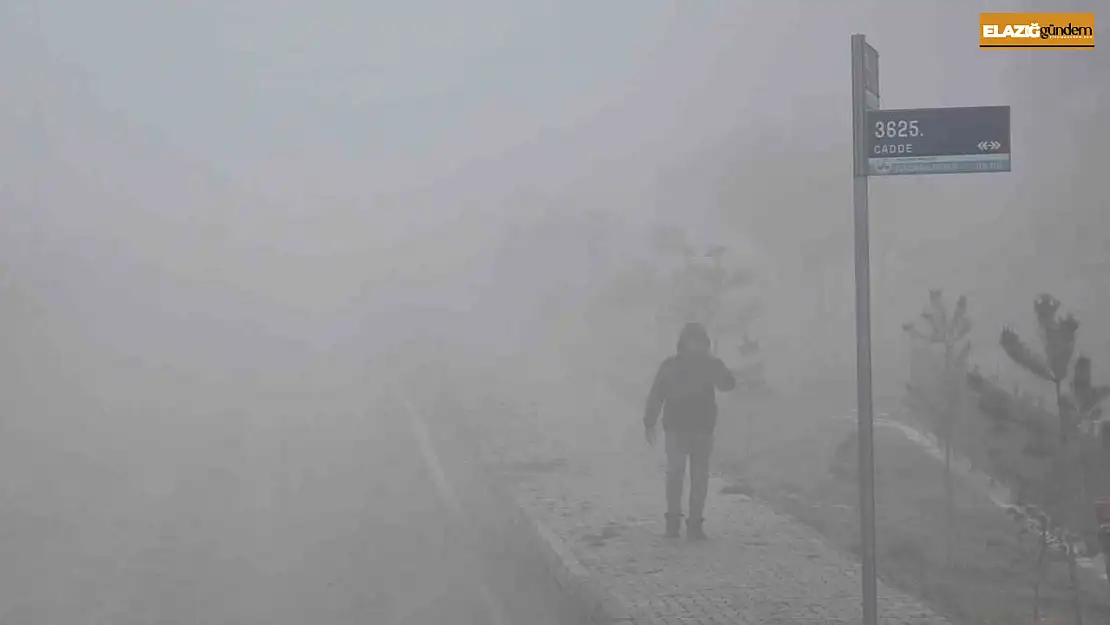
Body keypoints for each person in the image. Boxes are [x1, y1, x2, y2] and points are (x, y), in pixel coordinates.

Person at [643, 322, 736, 539]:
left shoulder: (711, 364)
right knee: (676, 475)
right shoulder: (671, 365)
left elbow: (727, 384)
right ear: (683, 344)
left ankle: (694, 524)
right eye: (692, 342)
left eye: (700, 342)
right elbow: (657, 394)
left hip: (702, 429)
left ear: (705, 344)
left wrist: (724, 371)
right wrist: (649, 421)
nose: (695, 347)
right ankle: (673, 522)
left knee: (698, 478)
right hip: (677, 430)